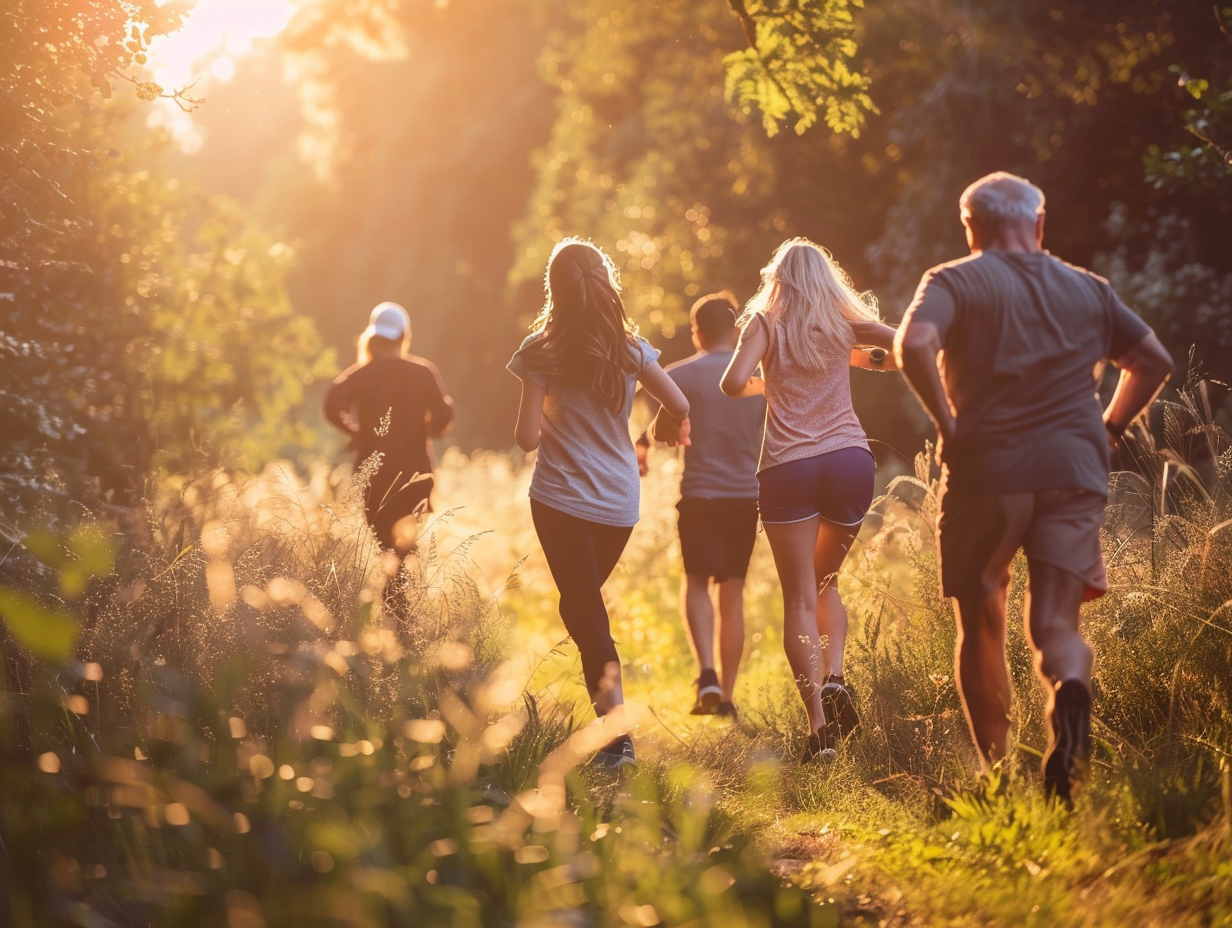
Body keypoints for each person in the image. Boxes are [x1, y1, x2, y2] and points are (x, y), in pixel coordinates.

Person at [895, 171, 1173, 803]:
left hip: (988, 469)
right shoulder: (1088, 288)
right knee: (1055, 625)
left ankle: (995, 776)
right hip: (1074, 469)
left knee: (983, 614)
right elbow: (1152, 360)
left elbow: (913, 342)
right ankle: (1070, 692)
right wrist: (1109, 427)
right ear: (1039, 224)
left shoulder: (954, 280)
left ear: (972, 227)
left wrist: (946, 422)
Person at [508, 238, 691, 770]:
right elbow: (679, 403)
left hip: (561, 499)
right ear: (606, 284)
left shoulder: (539, 350)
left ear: (555, 288)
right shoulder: (629, 348)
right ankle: (612, 730)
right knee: (582, 605)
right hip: (617, 502)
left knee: (585, 612)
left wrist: (554, 415)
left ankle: (617, 739)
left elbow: (525, 439)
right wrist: (652, 431)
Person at [721, 239, 898, 763]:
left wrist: (767, 384)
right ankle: (837, 676)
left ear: (778, 280)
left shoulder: (765, 324)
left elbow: (731, 383)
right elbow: (902, 348)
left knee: (799, 596)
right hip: (849, 461)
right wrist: (862, 353)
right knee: (828, 582)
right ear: (827, 280)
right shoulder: (841, 323)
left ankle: (819, 730)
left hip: (789, 468)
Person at [636, 292, 765, 717]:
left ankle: (706, 672)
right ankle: (727, 697)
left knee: (695, 583)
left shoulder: (678, 376)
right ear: (737, 330)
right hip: (745, 498)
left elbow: (657, 430)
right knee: (732, 593)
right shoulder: (759, 378)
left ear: (697, 333)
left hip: (698, 496)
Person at [324, 302, 455, 556]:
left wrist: (355, 432)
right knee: (407, 548)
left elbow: (331, 404)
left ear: (372, 337)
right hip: (416, 475)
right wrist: (430, 430)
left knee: (385, 550)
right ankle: (401, 594)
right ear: (405, 336)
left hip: (374, 476)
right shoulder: (422, 372)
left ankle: (392, 595)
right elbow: (444, 413)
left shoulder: (361, 374)